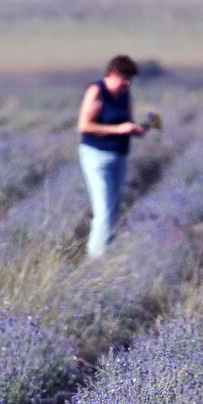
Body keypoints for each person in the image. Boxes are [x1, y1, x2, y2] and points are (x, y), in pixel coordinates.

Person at [77, 55, 146, 259]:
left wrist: (136, 129)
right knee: (104, 212)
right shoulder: (97, 91)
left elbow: (127, 122)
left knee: (114, 212)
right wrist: (118, 129)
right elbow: (84, 125)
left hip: (119, 157)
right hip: (96, 157)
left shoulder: (125, 94)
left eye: (130, 79)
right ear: (111, 73)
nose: (127, 83)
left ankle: (107, 253)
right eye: (123, 78)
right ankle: (94, 262)